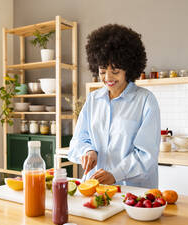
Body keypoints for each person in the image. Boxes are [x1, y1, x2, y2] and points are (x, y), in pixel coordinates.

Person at [68, 24, 160, 188]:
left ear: (129, 68)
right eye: (103, 71)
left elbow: (146, 155)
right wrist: (88, 151)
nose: (108, 77)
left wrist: (115, 174)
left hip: (132, 193)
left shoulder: (145, 101)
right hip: (96, 188)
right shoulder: (93, 100)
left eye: (115, 71)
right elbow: (78, 140)